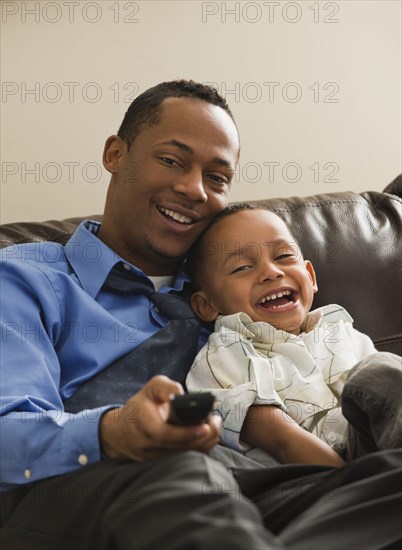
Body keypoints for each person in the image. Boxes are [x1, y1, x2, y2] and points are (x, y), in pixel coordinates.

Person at [1, 80, 401, 550]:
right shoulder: (25, 278)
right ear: (115, 154)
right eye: (171, 160)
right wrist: (112, 431)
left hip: (255, 489)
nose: (193, 189)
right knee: (181, 466)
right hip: (84, 488)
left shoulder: (229, 290)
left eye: (216, 177)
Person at [186, 203, 402, 467]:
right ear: (207, 305)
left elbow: (389, 397)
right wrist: (353, 484)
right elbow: (281, 439)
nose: (272, 272)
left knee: (380, 370)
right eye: (242, 267)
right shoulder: (223, 356)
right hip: (323, 473)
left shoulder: (340, 330)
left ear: (310, 276)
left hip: (379, 443)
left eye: (283, 256)